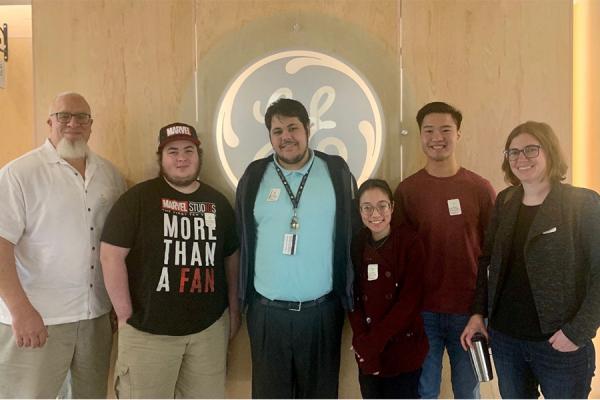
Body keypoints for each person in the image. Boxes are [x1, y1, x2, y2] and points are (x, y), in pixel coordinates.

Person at [100, 122, 240, 398]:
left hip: (208, 333)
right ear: (160, 158)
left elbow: (231, 259)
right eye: (172, 151)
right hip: (148, 334)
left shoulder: (218, 203)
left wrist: (233, 311)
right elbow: (110, 255)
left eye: (189, 150)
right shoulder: (138, 199)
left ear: (199, 156)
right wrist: (124, 311)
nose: (181, 158)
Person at [461, 121, 600, 399]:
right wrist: (478, 313)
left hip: (558, 344)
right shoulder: (506, 201)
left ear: (549, 152)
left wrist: (577, 331)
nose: (521, 158)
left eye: (530, 150)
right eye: (513, 152)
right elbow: (487, 261)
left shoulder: (582, 204)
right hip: (506, 341)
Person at [0, 92, 126, 398]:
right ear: (49, 123)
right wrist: (20, 310)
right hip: (38, 318)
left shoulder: (109, 175)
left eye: (82, 117)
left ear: (91, 125)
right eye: (64, 116)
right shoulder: (19, 174)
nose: (73, 123)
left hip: (94, 317)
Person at [236, 97, 359, 398]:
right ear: (270, 136)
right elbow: (241, 239)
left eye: (293, 128)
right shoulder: (254, 176)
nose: (286, 137)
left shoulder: (336, 172)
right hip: (267, 314)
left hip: (322, 312)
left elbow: (354, 234)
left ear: (308, 129)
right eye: (277, 131)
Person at [393, 101, 495, 399]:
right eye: (429, 131)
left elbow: (493, 253)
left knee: (468, 391)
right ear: (420, 136)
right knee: (424, 390)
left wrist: (482, 310)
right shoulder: (407, 191)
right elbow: (399, 256)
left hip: (470, 313)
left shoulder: (479, 188)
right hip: (423, 313)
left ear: (458, 134)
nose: (437, 137)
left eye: (445, 130)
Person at [348, 178, 428, 399]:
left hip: (403, 350)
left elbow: (410, 301)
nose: (375, 214)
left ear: (392, 207)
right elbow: (351, 297)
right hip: (367, 351)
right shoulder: (356, 243)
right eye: (367, 207)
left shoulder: (410, 243)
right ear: (359, 211)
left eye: (382, 206)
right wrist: (364, 346)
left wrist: (373, 343)